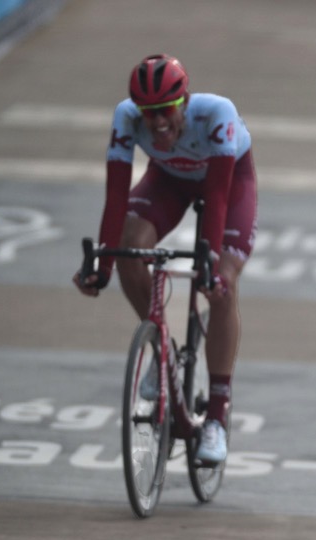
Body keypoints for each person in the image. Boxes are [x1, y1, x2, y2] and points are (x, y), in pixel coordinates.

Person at [73, 53, 258, 464]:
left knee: (222, 287)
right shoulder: (126, 118)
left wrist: (208, 265)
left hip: (227, 184)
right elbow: (117, 197)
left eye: (165, 111)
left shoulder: (216, 113)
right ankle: (162, 350)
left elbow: (220, 198)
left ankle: (215, 414)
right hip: (167, 182)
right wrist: (101, 267)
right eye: (148, 112)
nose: (157, 122)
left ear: (184, 101)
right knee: (129, 249)